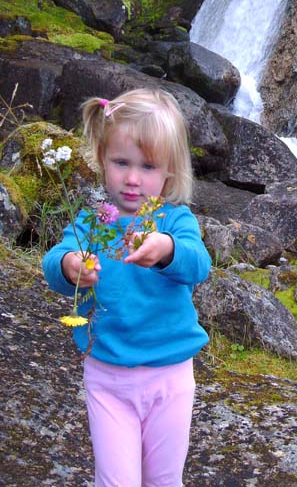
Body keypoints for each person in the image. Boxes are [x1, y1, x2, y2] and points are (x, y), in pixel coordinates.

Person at [42, 87, 211, 487]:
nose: (133, 179)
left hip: (170, 376)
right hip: (107, 376)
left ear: (170, 170)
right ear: (102, 159)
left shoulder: (174, 221)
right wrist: (69, 267)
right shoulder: (91, 222)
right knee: (116, 480)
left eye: (148, 167)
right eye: (121, 162)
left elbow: (199, 263)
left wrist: (167, 251)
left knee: (165, 480)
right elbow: (54, 261)